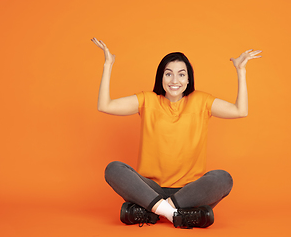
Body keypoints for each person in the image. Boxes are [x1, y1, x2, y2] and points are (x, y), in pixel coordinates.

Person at [91, 37, 262, 228]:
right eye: (168, 74)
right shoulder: (147, 100)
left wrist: (241, 71)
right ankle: (177, 215)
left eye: (181, 75)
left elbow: (241, 111)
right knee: (114, 169)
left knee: (223, 179)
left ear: (188, 79)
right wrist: (108, 65)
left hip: (189, 191)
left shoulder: (201, 100)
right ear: (160, 77)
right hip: (150, 189)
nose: (175, 81)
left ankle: (153, 212)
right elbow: (104, 105)